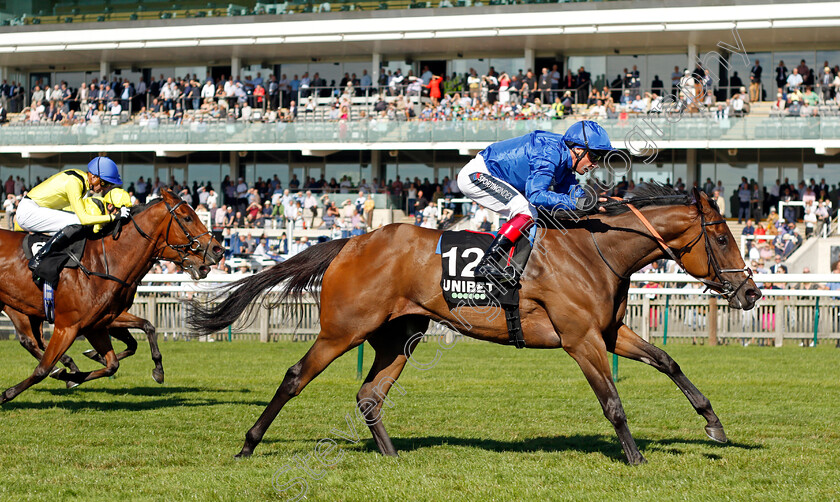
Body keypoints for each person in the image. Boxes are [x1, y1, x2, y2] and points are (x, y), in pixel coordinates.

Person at [456, 120, 614, 281]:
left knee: (537, 214)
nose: (595, 164)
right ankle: (487, 264)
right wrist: (579, 203)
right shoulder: (550, 152)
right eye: (594, 156)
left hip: (496, 178)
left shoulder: (565, 161)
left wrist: (600, 203)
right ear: (578, 149)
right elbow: (536, 195)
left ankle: (515, 267)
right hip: (477, 175)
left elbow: (575, 195)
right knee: (526, 211)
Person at [16, 156, 128, 320]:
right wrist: (113, 218)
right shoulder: (74, 183)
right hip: (28, 212)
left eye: (108, 185)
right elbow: (83, 219)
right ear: (93, 176)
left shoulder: (81, 181)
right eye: (104, 183)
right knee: (77, 221)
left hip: (36, 209)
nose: (104, 188)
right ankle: (39, 258)